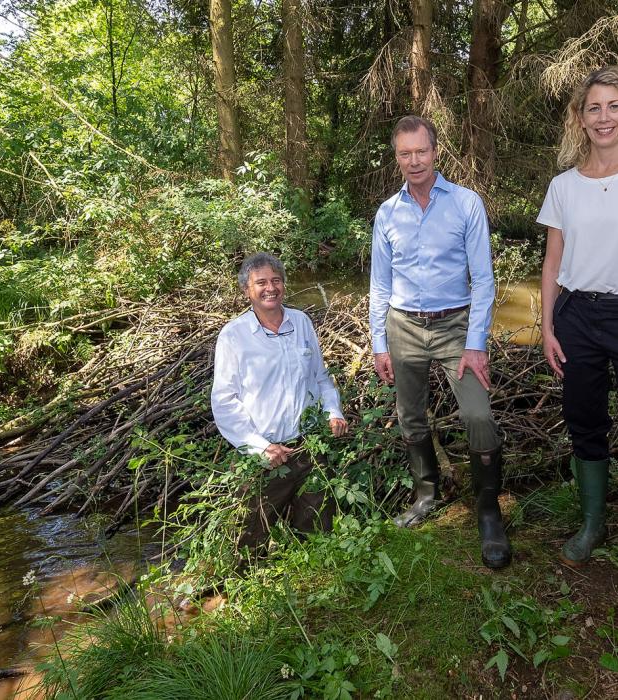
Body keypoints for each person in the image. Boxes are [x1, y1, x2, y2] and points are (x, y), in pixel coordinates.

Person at [369, 115, 511, 569]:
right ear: (397, 158)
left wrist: (475, 343)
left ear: (436, 152)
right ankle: (426, 494)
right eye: (404, 154)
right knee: (410, 415)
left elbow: (484, 280)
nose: (414, 161)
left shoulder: (466, 204)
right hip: (403, 326)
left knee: (477, 414)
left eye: (421, 151)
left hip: (455, 327)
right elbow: (379, 284)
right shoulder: (387, 213)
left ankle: (488, 511)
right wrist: (378, 342)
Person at [211, 252, 348, 548]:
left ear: (284, 285)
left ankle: (316, 582)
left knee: (317, 530)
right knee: (248, 537)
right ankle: (239, 587)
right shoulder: (234, 335)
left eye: (276, 280)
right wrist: (260, 447)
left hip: (309, 447)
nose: (270, 288)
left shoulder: (301, 322)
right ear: (247, 290)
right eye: (261, 282)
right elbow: (224, 401)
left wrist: (333, 411)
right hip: (263, 456)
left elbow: (321, 377)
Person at [538, 66, 618, 567]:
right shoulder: (564, 186)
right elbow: (552, 261)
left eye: (614, 106)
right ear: (580, 117)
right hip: (577, 317)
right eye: (595, 107)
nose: (604, 116)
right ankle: (593, 523)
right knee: (585, 420)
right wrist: (547, 327)